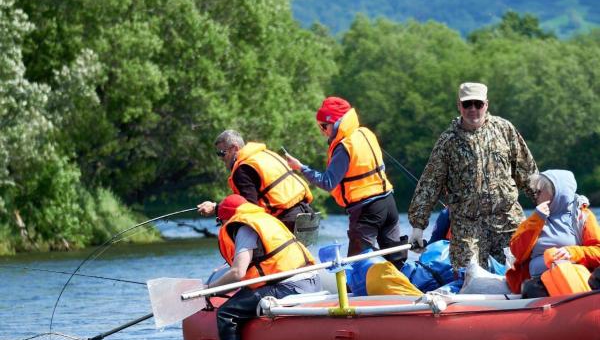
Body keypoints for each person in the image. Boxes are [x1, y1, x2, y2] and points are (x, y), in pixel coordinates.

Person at [408, 82, 538, 271]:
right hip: (468, 227)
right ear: (459, 106)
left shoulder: (504, 129)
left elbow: (527, 171)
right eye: (467, 104)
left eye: (478, 104)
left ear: (486, 104)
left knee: (518, 272)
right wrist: (418, 226)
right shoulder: (448, 141)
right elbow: (430, 183)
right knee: (467, 276)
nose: (473, 109)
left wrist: (548, 207)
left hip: (507, 221)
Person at [207, 194, 321, 340]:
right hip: (311, 280)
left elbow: (238, 272)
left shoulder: (243, 227)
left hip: (290, 285)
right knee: (244, 299)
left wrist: (208, 290)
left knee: (226, 313)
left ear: (225, 218)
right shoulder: (264, 218)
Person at [285, 96, 406, 267]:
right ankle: (407, 288)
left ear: (336, 123)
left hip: (367, 210)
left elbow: (328, 182)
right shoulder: (366, 133)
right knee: (396, 259)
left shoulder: (344, 146)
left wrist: (301, 167)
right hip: (389, 203)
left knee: (357, 264)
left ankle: (354, 293)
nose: (322, 131)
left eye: (324, 126)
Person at [197, 130, 314, 232]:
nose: (221, 158)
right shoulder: (264, 155)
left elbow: (249, 208)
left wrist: (217, 209)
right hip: (307, 214)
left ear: (235, 148)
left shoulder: (242, 169)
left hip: (287, 220)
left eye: (222, 153)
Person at [505, 170, 600, 296]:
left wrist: (572, 253)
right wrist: (537, 220)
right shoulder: (535, 218)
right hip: (542, 282)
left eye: (539, 191)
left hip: (579, 276)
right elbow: (517, 252)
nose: (535, 196)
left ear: (557, 192)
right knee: (530, 289)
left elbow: (598, 251)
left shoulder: (582, 216)